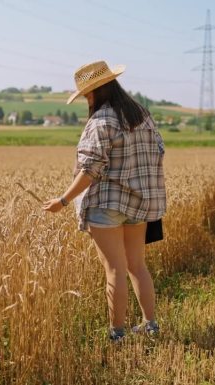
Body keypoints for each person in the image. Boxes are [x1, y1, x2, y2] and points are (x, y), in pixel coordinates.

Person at [43, 60, 166, 342]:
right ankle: (150, 325)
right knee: (137, 265)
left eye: (87, 94)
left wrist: (62, 201)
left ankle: (117, 333)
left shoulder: (101, 121)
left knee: (114, 269)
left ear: (97, 90)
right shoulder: (143, 116)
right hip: (141, 204)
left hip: (106, 205)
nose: (86, 99)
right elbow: (159, 153)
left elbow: (90, 170)